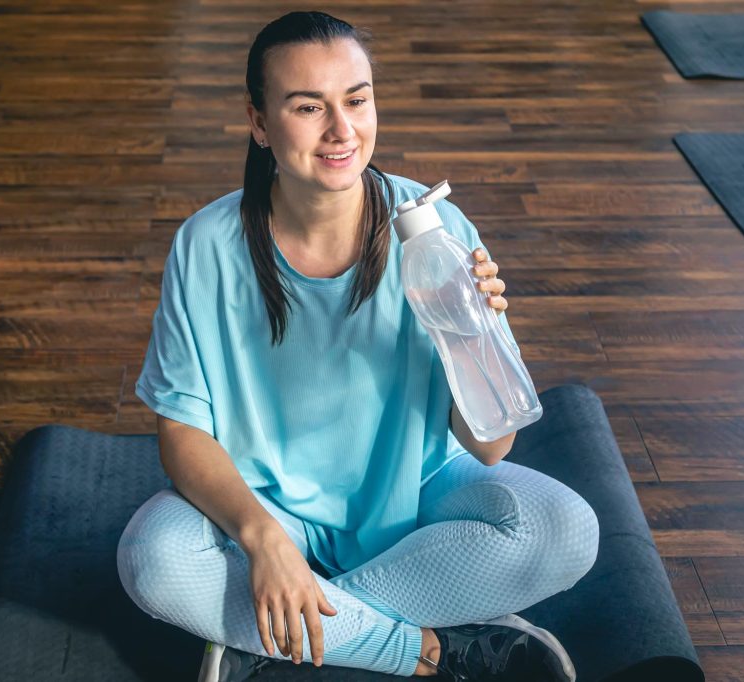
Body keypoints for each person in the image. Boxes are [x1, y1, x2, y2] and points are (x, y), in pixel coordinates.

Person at [116, 11, 599, 682]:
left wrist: (469, 336)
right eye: (309, 106)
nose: (342, 130)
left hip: (414, 497)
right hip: (261, 511)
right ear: (259, 122)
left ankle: (270, 639)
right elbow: (182, 437)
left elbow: (491, 448)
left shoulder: (439, 230)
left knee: (567, 530)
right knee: (152, 560)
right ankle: (427, 651)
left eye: (358, 98)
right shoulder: (206, 246)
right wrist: (262, 542)